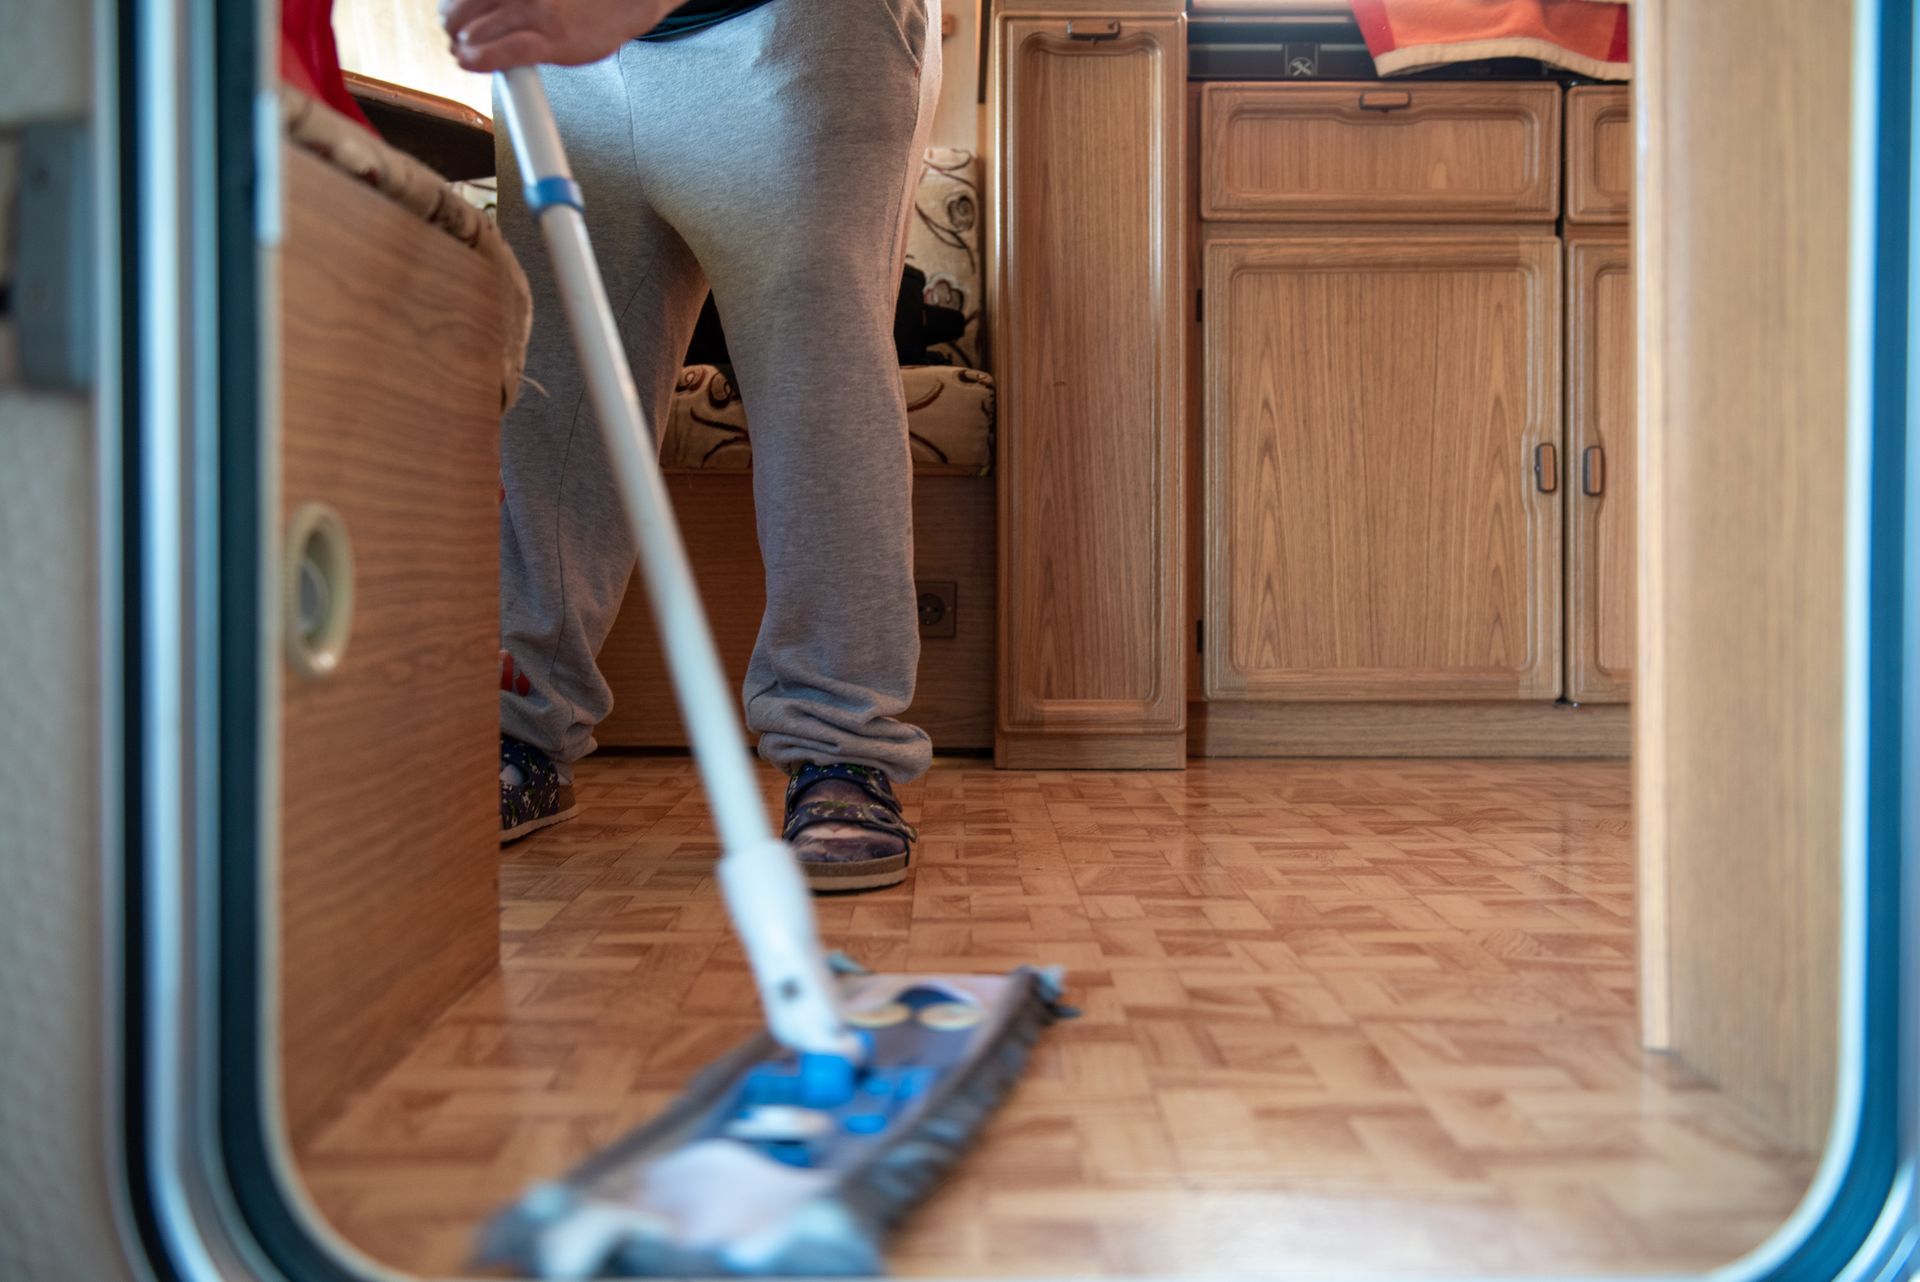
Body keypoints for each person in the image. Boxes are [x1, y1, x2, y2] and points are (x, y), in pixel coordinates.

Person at [442, 0, 942, 891]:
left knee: (817, 389)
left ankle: (839, 745)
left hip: (793, 34)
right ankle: (524, 726)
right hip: (569, 62)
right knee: (556, 398)